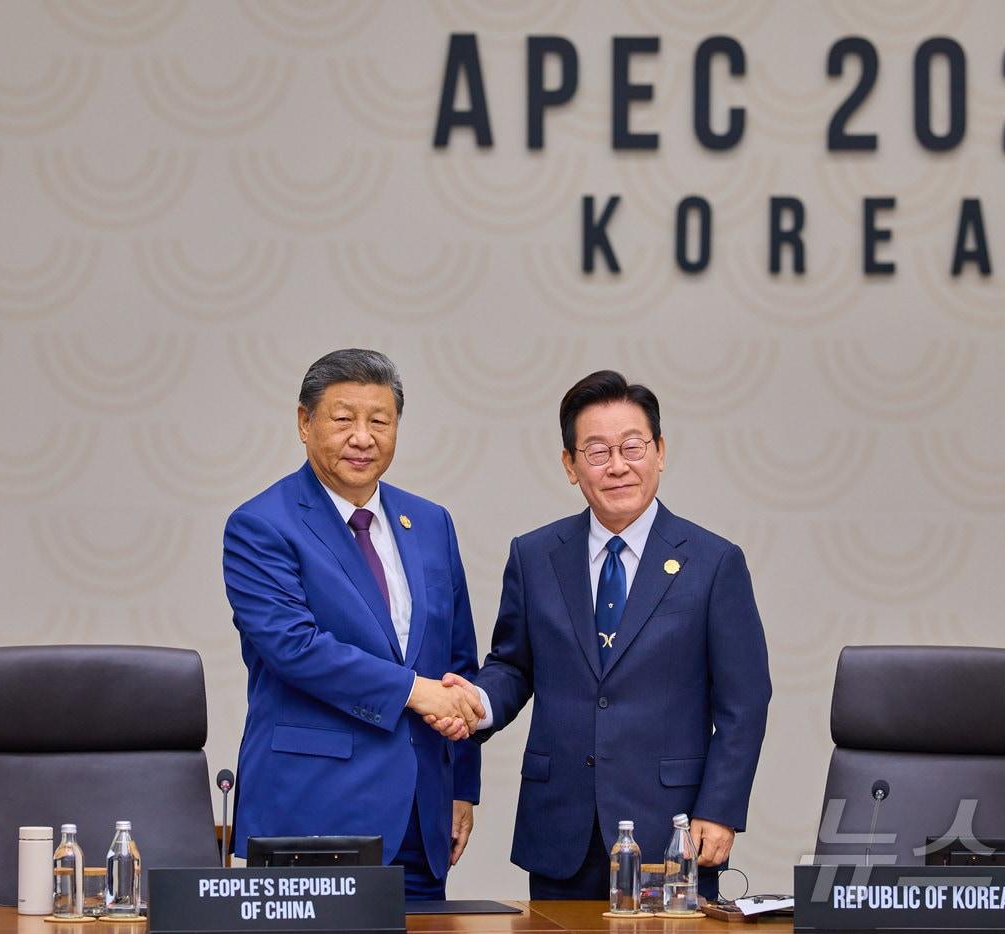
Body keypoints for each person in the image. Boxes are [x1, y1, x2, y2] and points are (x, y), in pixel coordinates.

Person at [440, 370, 771, 900]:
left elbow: (744, 702)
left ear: (660, 452)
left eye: (632, 447)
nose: (617, 466)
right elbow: (513, 666)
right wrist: (475, 702)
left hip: (672, 830)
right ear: (571, 465)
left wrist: (719, 809)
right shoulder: (535, 556)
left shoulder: (713, 563)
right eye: (596, 451)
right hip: (561, 827)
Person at [222, 348, 483, 899]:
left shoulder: (431, 523)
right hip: (312, 814)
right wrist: (413, 692)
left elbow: (457, 666)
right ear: (304, 422)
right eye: (343, 419)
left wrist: (462, 786)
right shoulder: (261, 525)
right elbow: (294, 647)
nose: (362, 437)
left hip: (420, 819)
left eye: (379, 421)